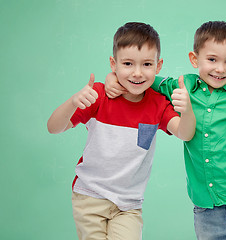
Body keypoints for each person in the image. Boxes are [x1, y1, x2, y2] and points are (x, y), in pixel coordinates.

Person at [105, 21, 226, 240]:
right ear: (195, 59)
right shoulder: (182, 86)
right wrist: (111, 77)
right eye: (212, 59)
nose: (220, 68)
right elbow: (140, 81)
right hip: (206, 209)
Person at [47, 22, 196, 240]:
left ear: (158, 66)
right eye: (127, 63)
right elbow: (53, 128)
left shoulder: (157, 104)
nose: (137, 73)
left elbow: (185, 134)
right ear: (113, 64)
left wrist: (188, 110)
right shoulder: (98, 94)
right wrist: (73, 102)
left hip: (128, 205)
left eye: (146, 64)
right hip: (90, 197)